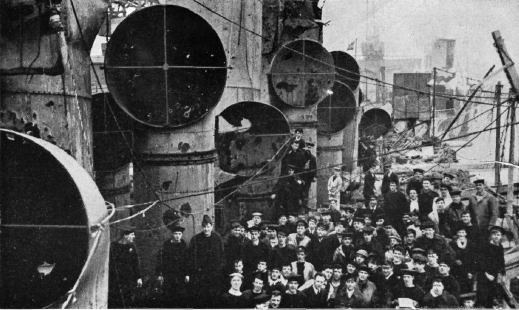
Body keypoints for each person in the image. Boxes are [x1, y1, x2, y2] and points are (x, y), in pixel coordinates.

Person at [189, 215, 225, 308]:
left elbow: (222, 254)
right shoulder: (196, 239)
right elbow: (191, 256)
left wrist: (219, 268)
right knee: (202, 294)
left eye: (208, 227)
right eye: (204, 227)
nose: (206, 229)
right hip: (201, 273)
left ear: (211, 227)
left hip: (214, 272)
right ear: (202, 227)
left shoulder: (217, 238)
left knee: (214, 294)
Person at [108, 226, 142, 308]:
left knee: (127, 300)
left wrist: (138, 277)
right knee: (115, 300)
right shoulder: (113, 246)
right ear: (125, 236)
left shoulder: (131, 247)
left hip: (128, 279)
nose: (134, 237)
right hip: (115, 279)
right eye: (132, 234)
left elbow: (135, 264)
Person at [156, 226, 189, 307]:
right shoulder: (166, 245)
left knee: (180, 296)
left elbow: (188, 261)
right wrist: (160, 274)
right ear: (172, 234)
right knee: (168, 296)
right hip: (168, 275)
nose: (177, 236)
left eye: (179, 234)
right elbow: (160, 260)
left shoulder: (184, 245)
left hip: (180, 275)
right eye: (175, 234)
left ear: (182, 235)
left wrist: (187, 274)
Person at [476, 226, 506, 308]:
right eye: (494, 234)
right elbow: (480, 261)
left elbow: (501, 261)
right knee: (482, 297)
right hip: (484, 274)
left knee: (491, 296)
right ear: (491, 236)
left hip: (494, 274)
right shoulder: (485, 246)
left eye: (498, 235)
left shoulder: (500, 247)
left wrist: (503, 274)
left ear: (501, 236)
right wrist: (487, 274)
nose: (496, 236)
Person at [448, 226, 476, 294]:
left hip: (468, 268)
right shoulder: (452, 244)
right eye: (459, 232)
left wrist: (471, 271)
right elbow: (450, 255)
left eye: (463, 232)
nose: (461, 234)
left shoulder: (471, 244)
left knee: (468, 287)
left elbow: (473, 258)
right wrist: (455, 261)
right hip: (457, 269)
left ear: (466, 234)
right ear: (457, 233)